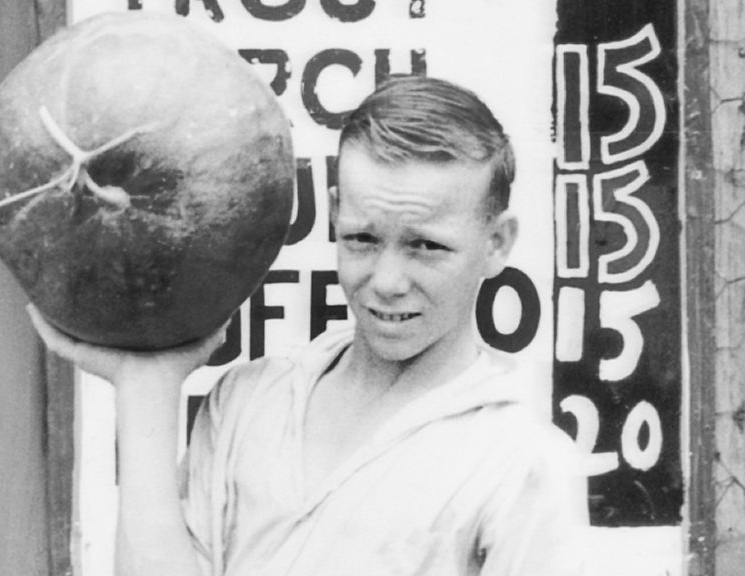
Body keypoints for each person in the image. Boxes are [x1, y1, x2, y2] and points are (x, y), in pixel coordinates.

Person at [29, 75, 588, 576]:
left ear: (497, 243)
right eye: (362, 239)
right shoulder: (249, 399)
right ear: (336, 211)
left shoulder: (521, 463)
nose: (387, 280)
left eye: (426, 246)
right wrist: (145, 386)